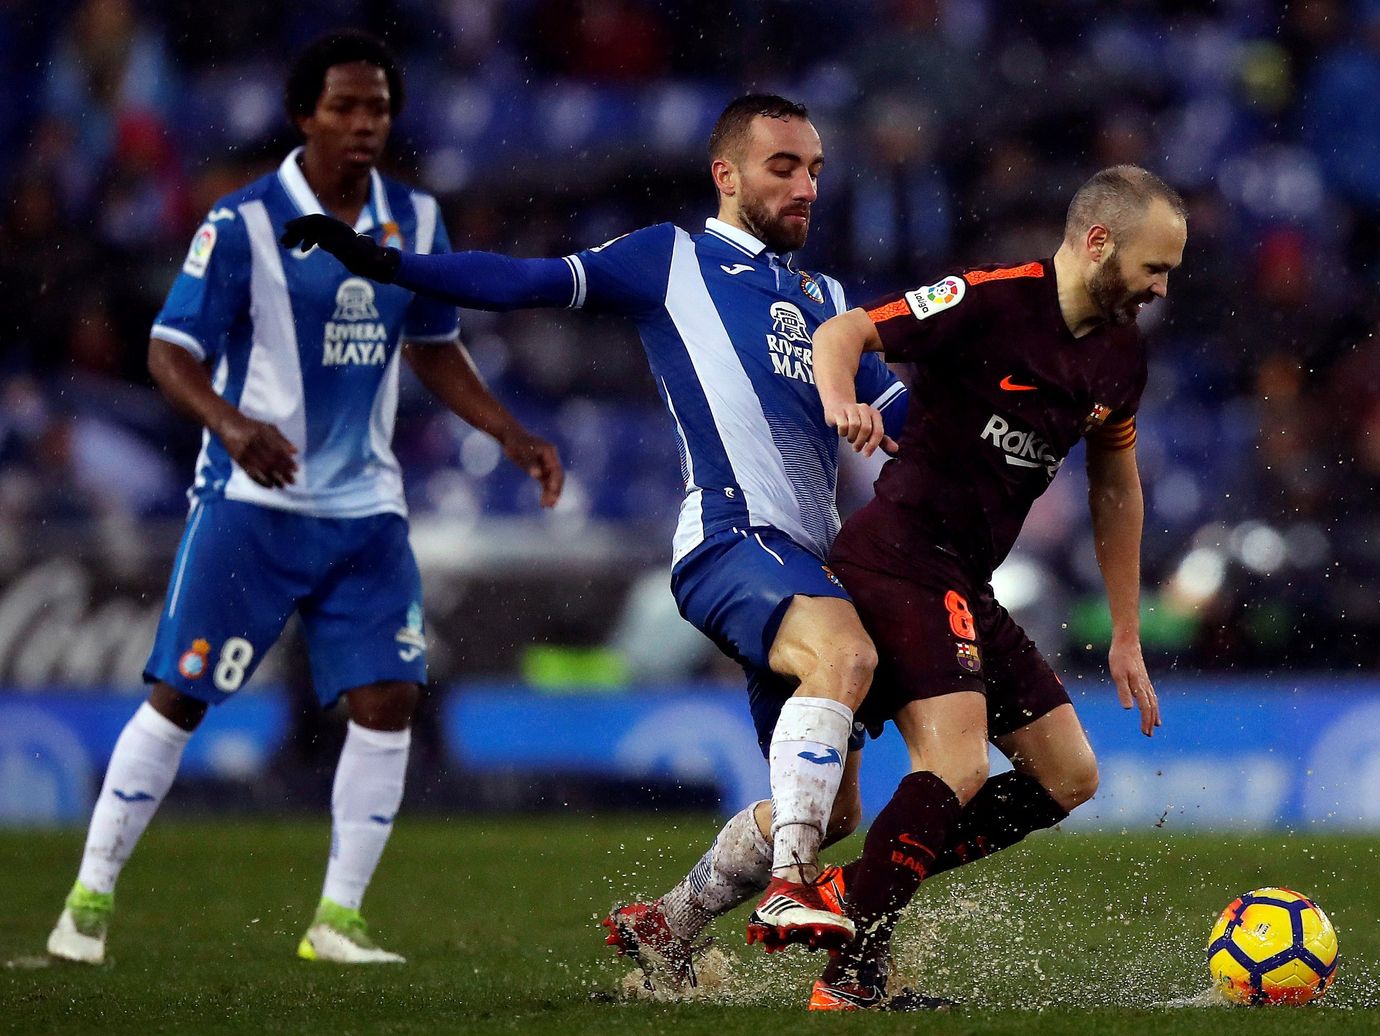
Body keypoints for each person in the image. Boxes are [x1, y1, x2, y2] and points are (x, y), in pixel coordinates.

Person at [280, 94, 910, 980]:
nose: (806, 186)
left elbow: (901, 414)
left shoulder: (830, 300)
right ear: (726, 175)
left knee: (831, 806)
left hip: (810, 557)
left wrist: (1015, 421)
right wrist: (384, 264)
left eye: (814, 169)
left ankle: (672, 922)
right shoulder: (671, 258)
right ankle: (792, 886)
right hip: (732, 535)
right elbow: (526, 281)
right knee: (845, 657)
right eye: (783, 167)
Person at [45, 29, 563, 967]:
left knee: (391, 696)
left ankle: (338, 921)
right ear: (303, 116)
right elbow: (170, 350)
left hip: (365, 510)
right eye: (345, 108)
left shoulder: (416, 219)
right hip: (252, 501)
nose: (365, 125)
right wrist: (234, 426)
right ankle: (88, 897)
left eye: (378, 109)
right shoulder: (240, 223)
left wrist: (509, 433)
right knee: (178, 697)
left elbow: (435, 344)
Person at [802, 164, 1181, 1010]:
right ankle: (852, 975)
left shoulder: (1121, 357)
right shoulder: (990, 299)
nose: (1162, 287)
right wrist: (841, 405)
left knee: (1069, 777)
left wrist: (1126, 630)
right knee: (958, 763)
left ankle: (853, 894)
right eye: (1156, 267)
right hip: (897, 554)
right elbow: (844, 333)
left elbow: (1116, 482)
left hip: (962, 575)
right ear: (1097, 243)